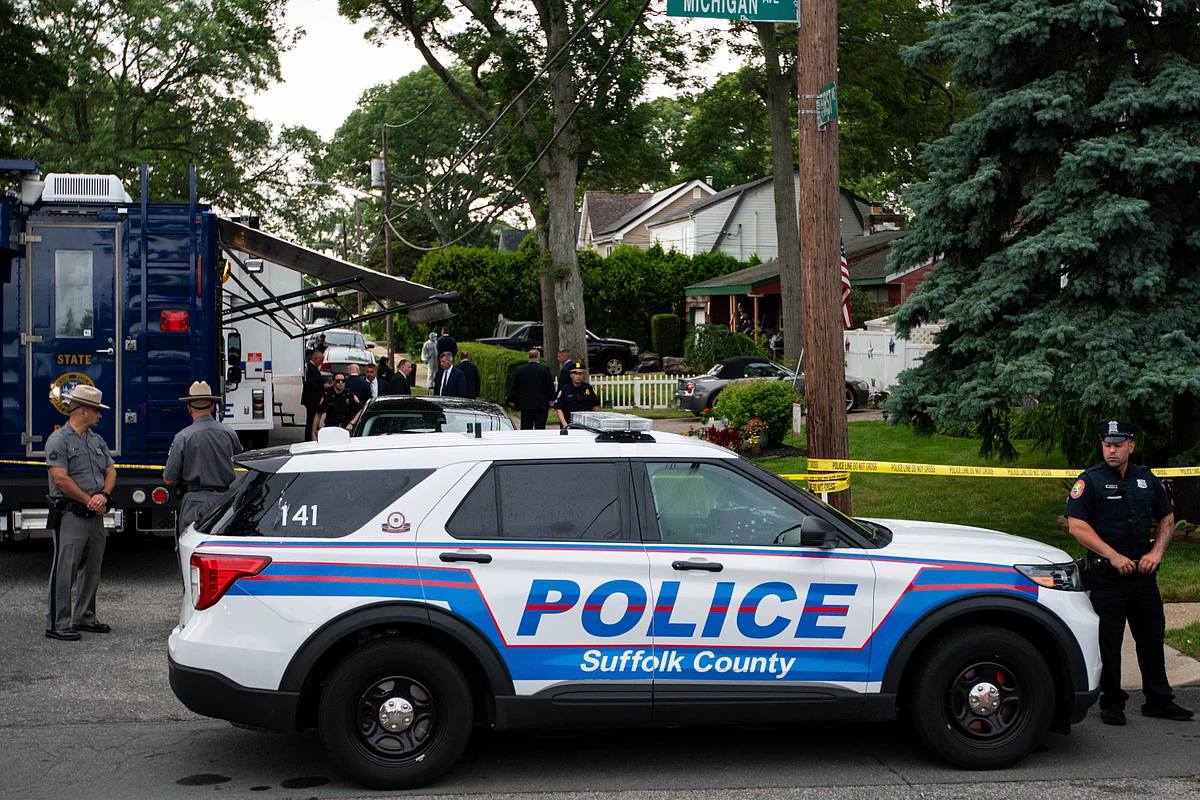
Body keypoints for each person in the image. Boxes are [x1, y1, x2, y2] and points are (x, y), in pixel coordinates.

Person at [1064, 420, 1193, 725]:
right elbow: (1076, 526)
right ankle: (1112, 703)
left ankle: (1159, 700)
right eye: (1107, 445)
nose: (1112, 450)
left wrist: (1156, 553)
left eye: (1118, 445)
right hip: (1108, 576)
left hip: (1143, 575)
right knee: (1109, 643)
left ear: (1131, 446)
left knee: (1151, 637)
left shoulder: (1146, 479)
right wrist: (1112, 556)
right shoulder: (1090, 481)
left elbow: (1167, 517)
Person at [44, 385, 115, 641]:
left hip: (94, 514)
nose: (100, 415)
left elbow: (110, 470)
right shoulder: (59, 440)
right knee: (65, 570)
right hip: (71, 514)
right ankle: (57, 623)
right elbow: (60, 479)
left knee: (92, 568)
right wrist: (89, 500)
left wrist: (103, 495)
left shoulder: (96, 440)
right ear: (83, 411)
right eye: (96, 410)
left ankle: (84, 616)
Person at [162, 381, 242, 536]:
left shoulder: (183, 437)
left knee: (192, 546)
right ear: (212, 406)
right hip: (224, 500)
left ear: (189, 408)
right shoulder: (229, 433)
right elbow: (239, 460)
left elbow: (168, 480)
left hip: (194, 503)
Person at [509, 348, 555, 430]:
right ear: (538, 357)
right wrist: (552, 398)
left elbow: (515, 386)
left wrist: (512, 399)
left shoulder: (521, 370)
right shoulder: (544, 369)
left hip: (526, 403)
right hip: (541, 404)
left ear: (528, 357)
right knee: (540, 427)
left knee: (526, 427)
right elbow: (550, 385)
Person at [301, 347, 326, 442]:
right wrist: (323, 386)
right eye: (321, 361)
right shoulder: (310, 369)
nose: (321, 363)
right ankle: (309, 438)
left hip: (313, 399)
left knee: (312, 420)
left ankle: (311, 436)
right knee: (311, 421)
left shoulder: (312, 368)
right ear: (316, 359)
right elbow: (310, 385)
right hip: (312, 399)